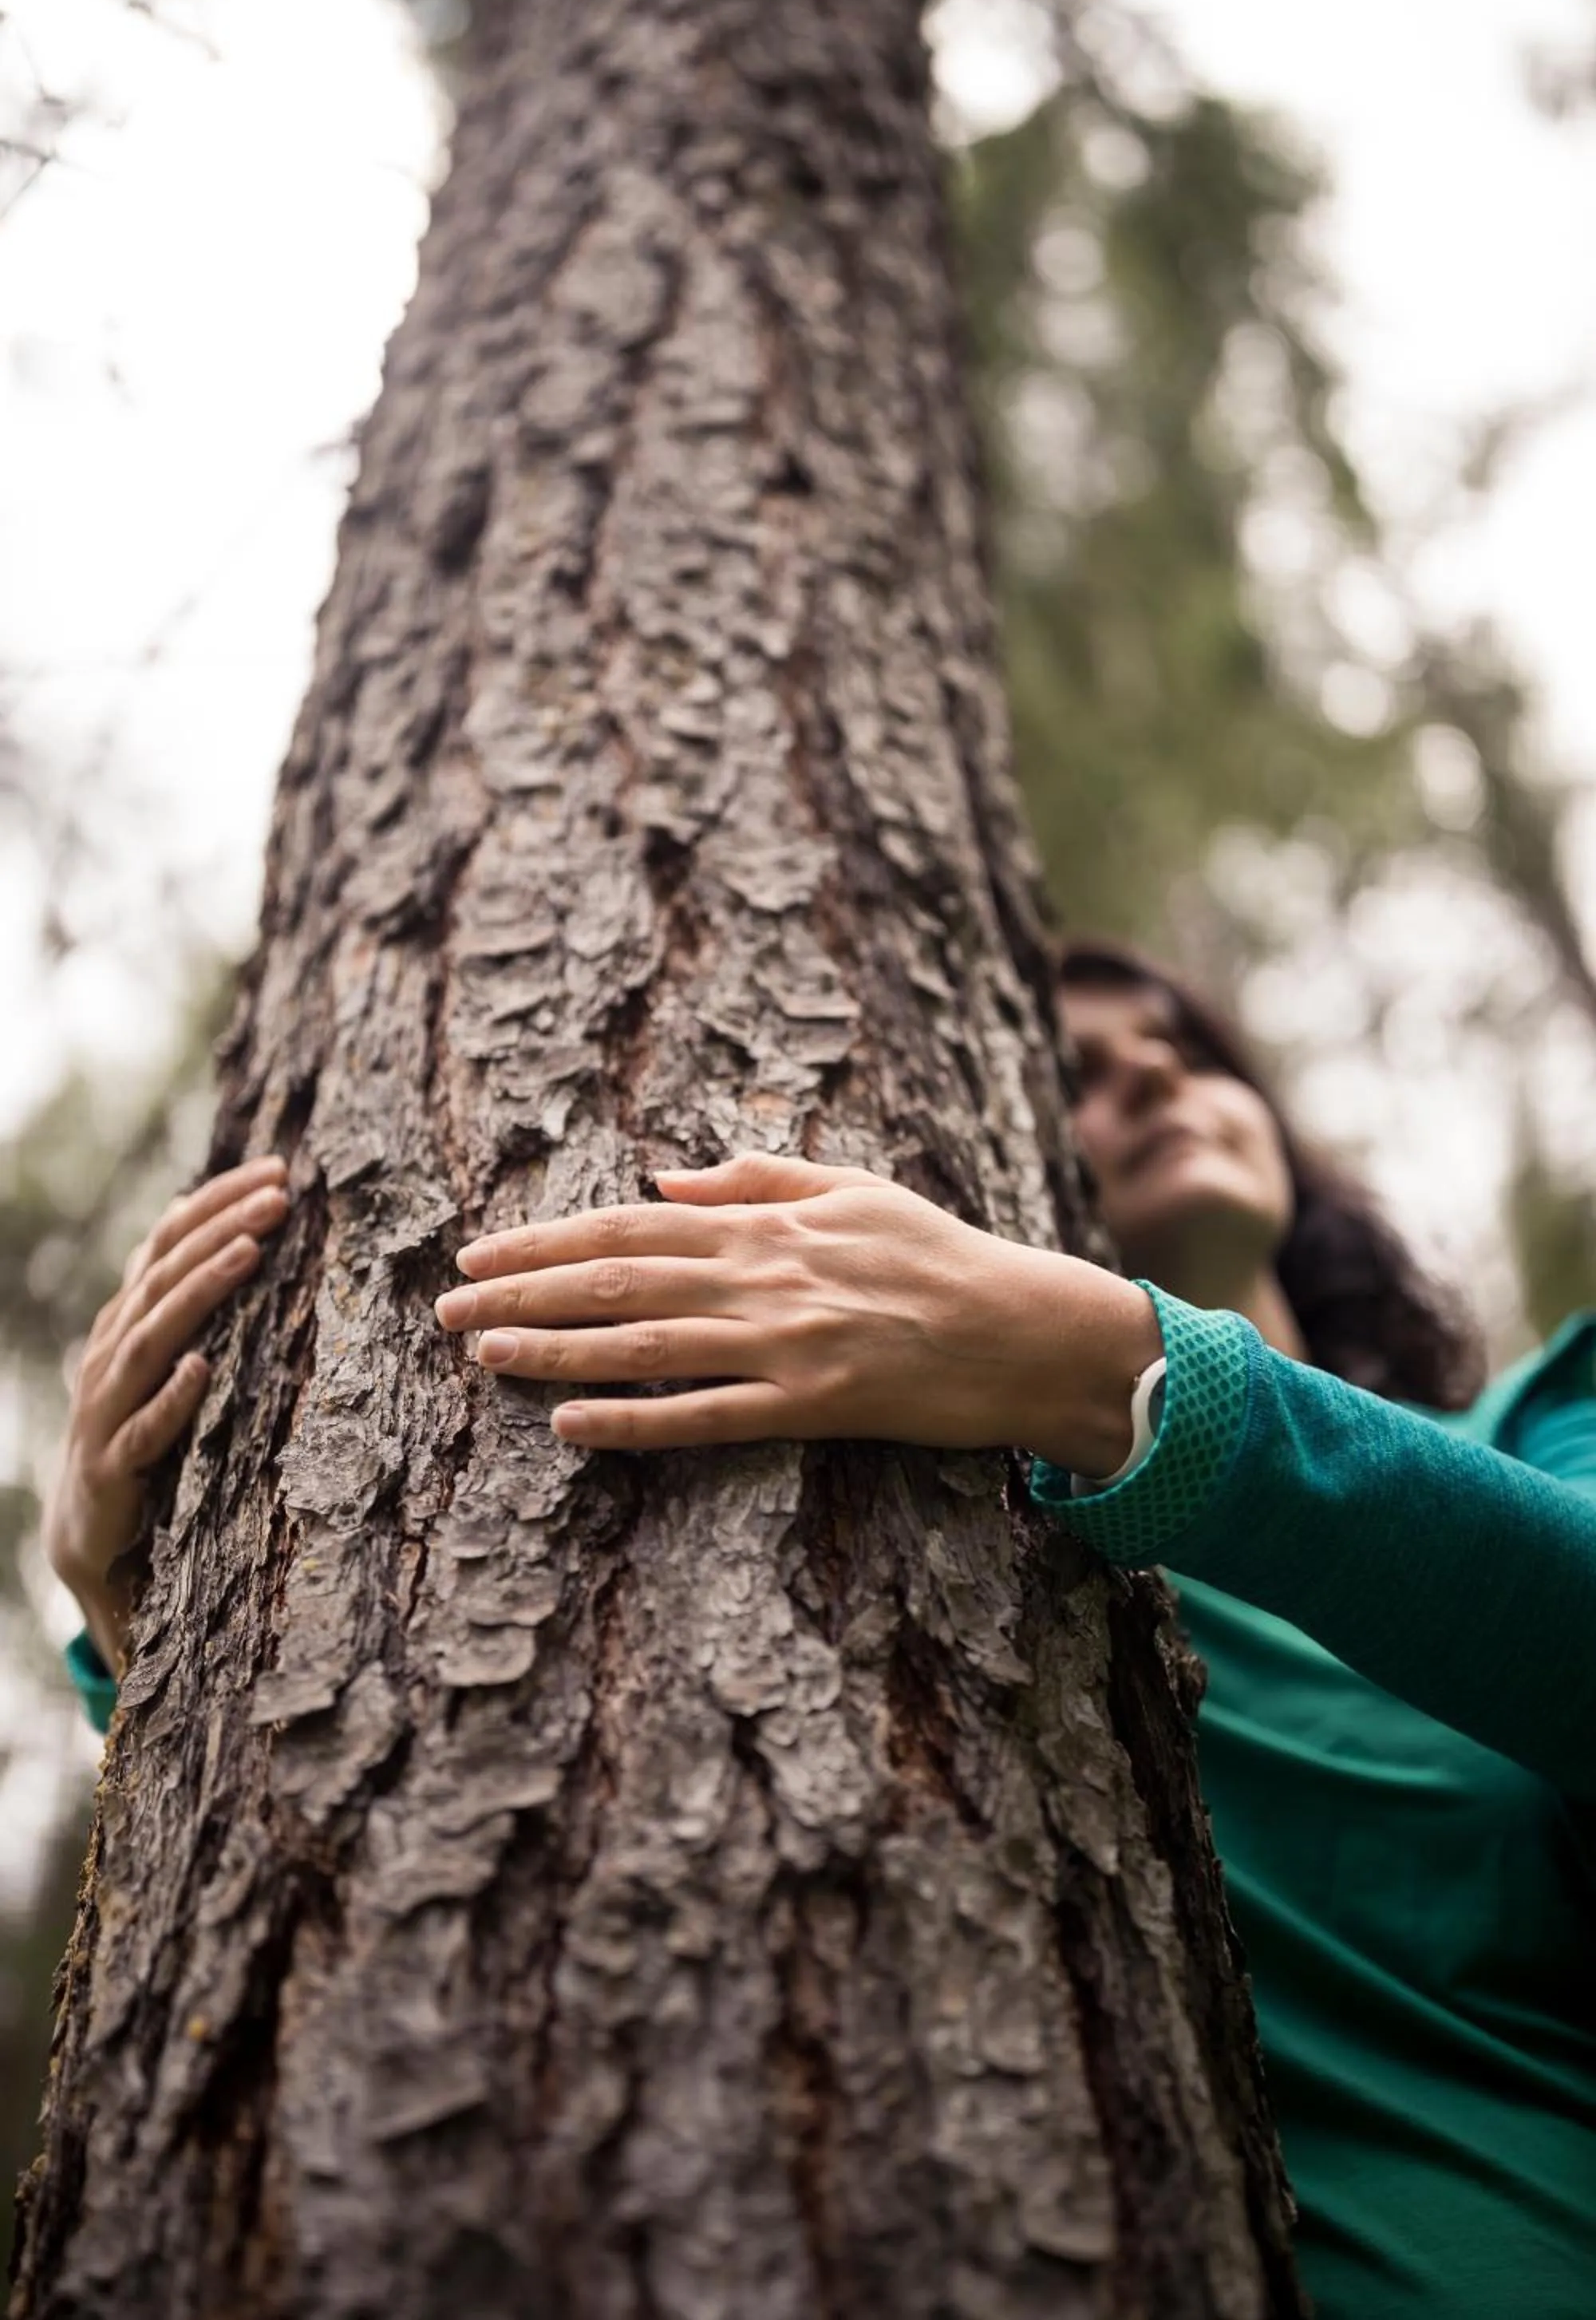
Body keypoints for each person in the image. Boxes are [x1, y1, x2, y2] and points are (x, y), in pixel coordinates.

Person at [45, 940, 1596, 2320]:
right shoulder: (978, 1510)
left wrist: (1100, 1365)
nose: (1143, 1065)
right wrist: (156, 1628)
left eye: (1181, 1048)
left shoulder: (1534, 1424)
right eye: (1073, 1064)